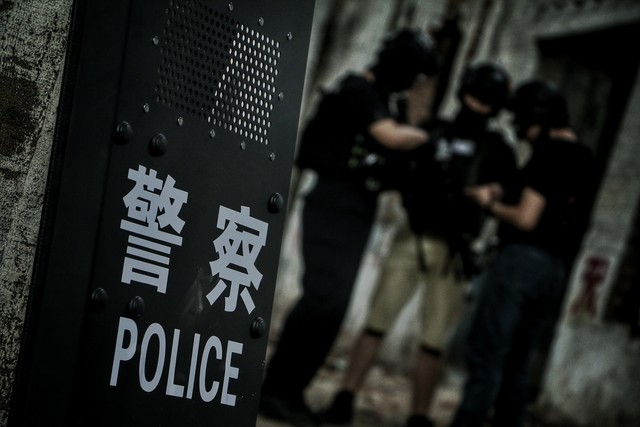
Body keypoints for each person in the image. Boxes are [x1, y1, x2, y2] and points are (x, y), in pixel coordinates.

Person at [258, 28, 439, 427]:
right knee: (323, 298)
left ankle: (290, 392)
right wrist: (429, 137)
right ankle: (275, 391)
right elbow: (389, 137)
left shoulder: (390, 101)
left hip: (358, 211)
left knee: (334, 306)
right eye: (412, 74)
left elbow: (396, 161)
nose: (413, 84)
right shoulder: (359, 90)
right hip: (333, 204)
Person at [322, 63, 517, 427]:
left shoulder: (497, 148)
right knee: (377, 321)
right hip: (412, 234)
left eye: (486, 101)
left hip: (453, 248)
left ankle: (420, 415)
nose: (477, 106)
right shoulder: (433, 131)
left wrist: (488, 193)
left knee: (433, 340)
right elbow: (398, 170)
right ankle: (345, 395)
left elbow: (505, 189)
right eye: (474, 97)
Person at [449, 79, 596, 427]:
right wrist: (506, 189)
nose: (523, 133)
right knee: (518, 362)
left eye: (524, 123)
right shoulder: (584, 157)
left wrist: (489, 203)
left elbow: (527, 218)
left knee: (487, 354)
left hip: (520, 262)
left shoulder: (548, 155)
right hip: (555, 270)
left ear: (538, 118)